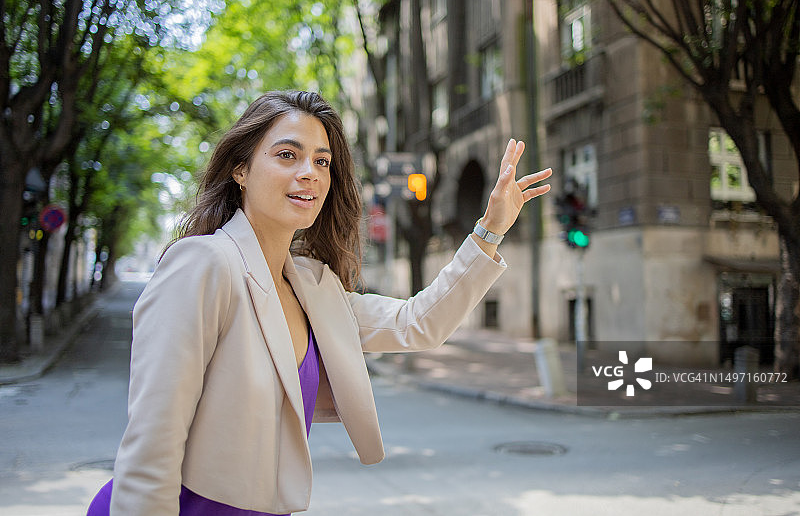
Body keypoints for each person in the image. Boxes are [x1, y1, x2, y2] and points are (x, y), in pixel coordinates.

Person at [87, 90, 552, 515]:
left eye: (322, 161)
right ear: (241, 170)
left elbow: (418, 324)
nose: (308, 172)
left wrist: (490, 230)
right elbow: (152, 446)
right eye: (287, 155)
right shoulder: (203, 264)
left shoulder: (312, 284)